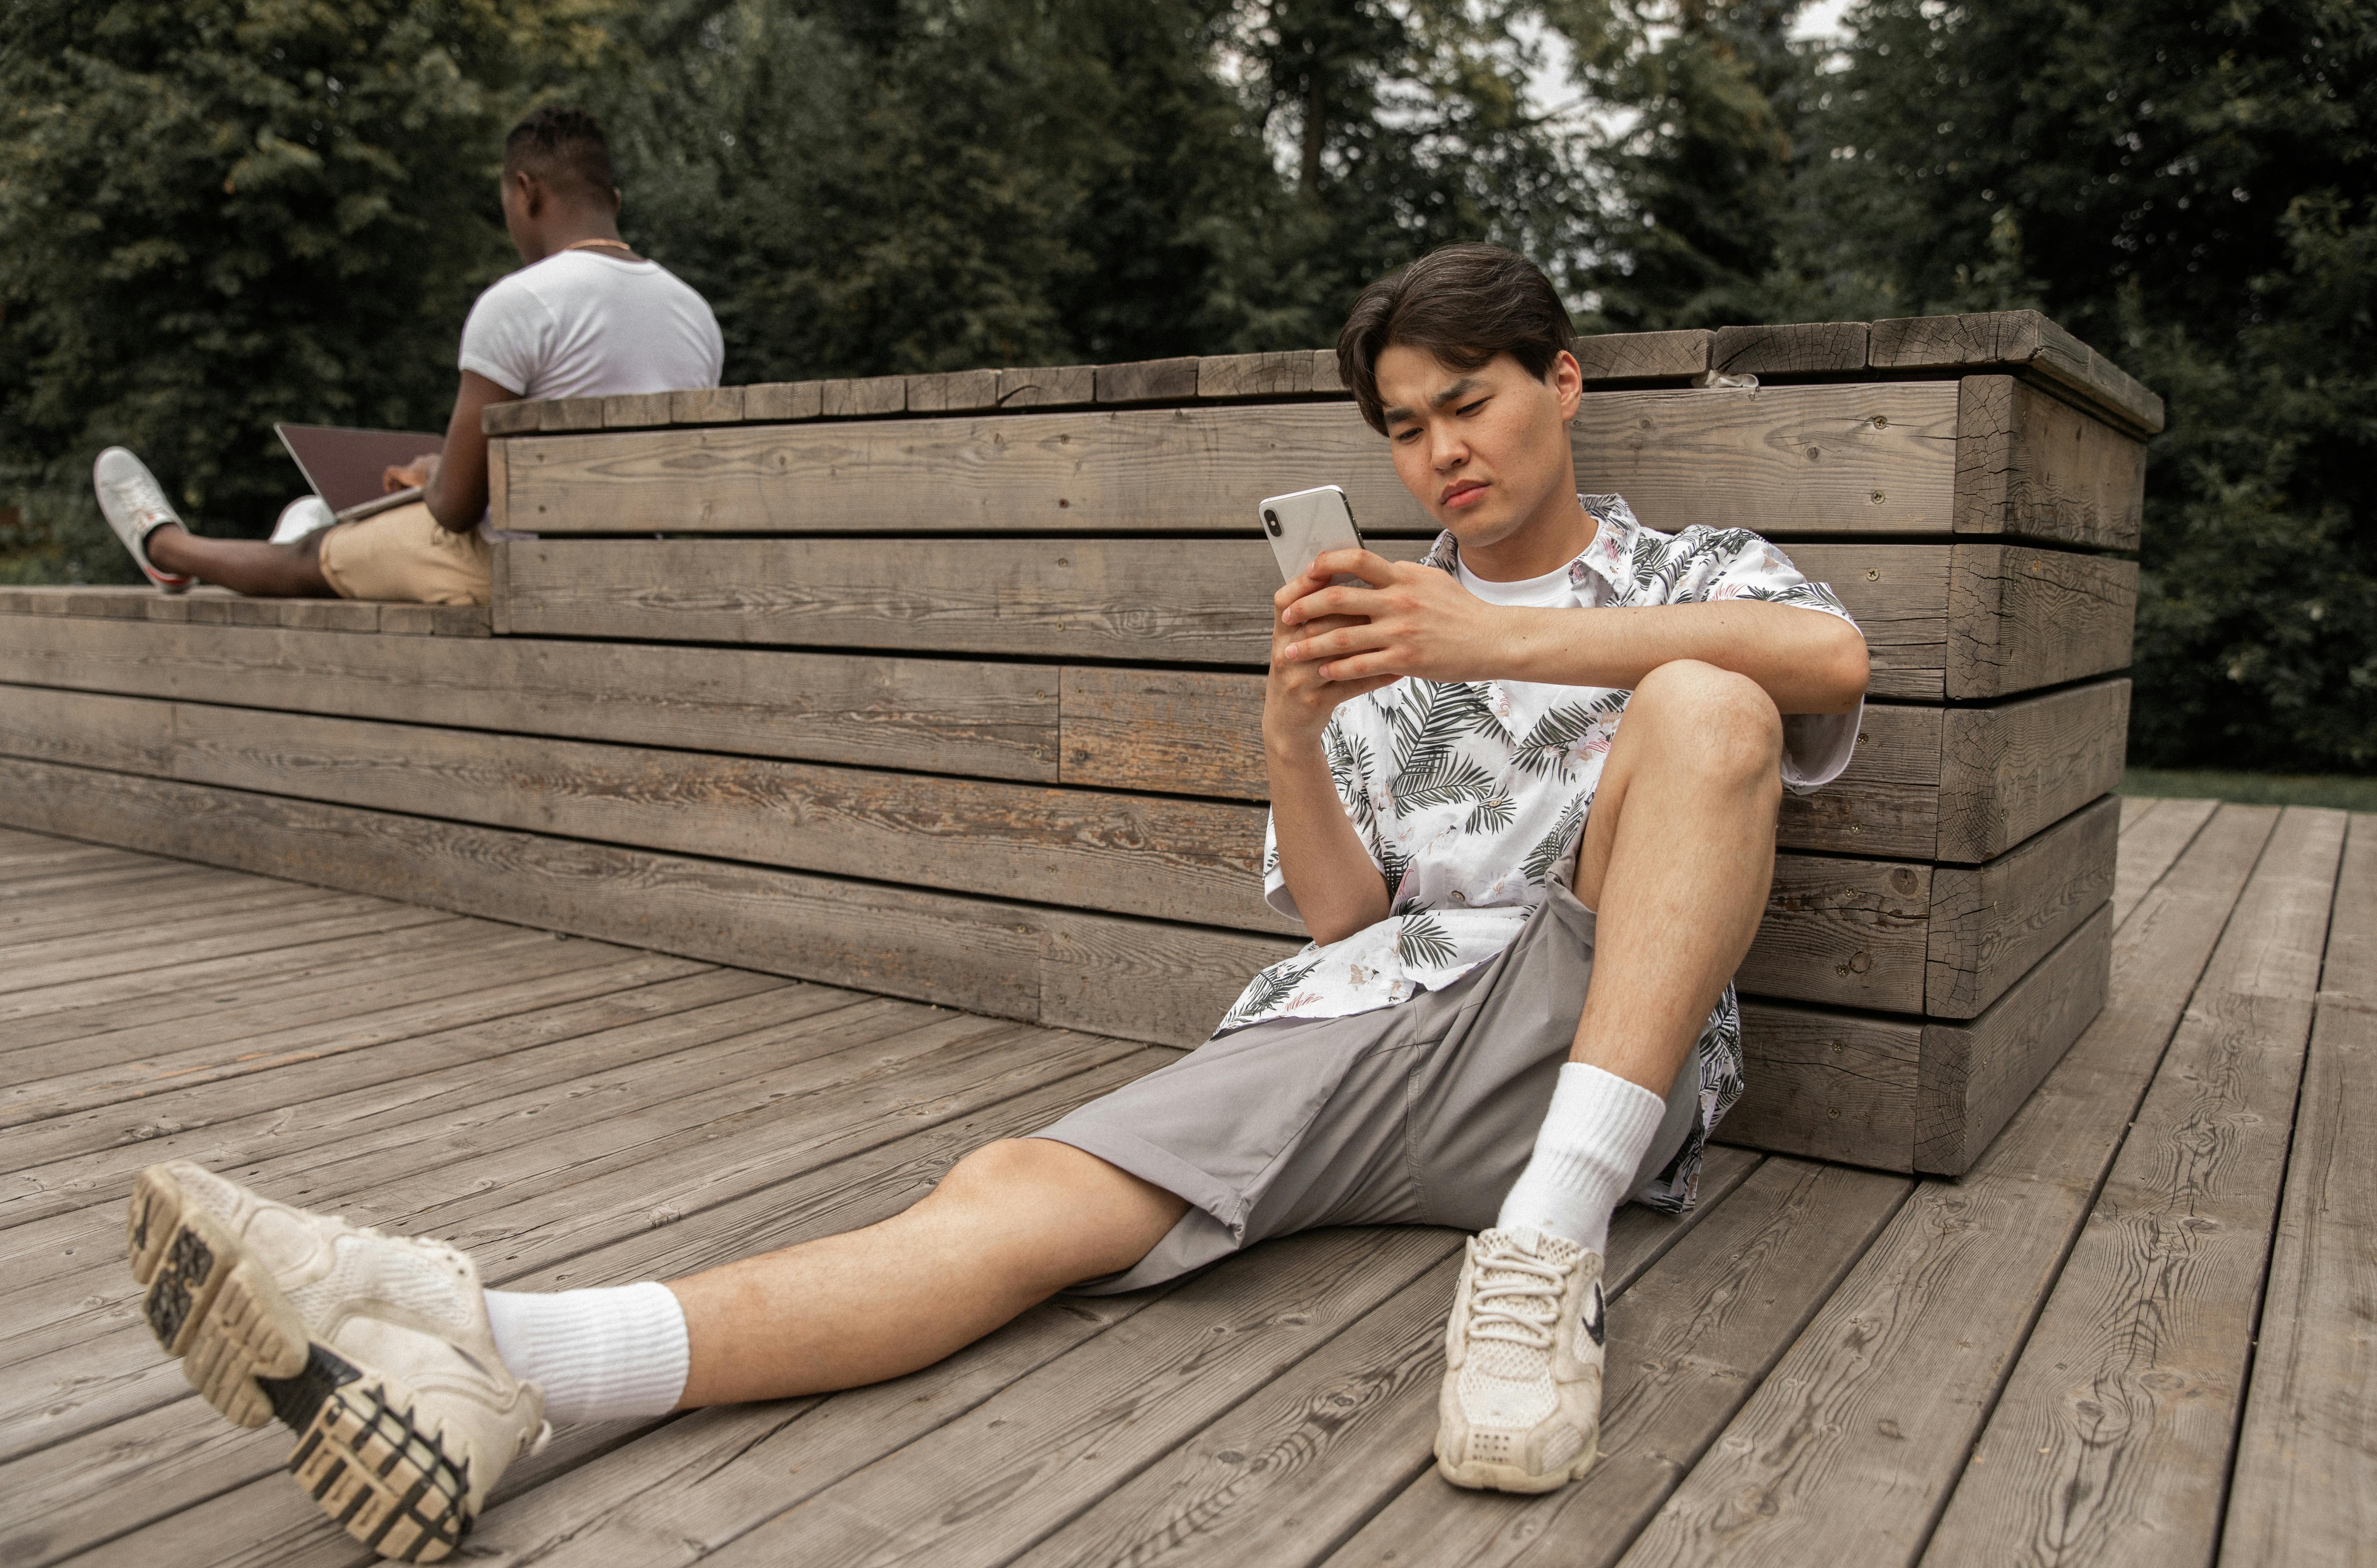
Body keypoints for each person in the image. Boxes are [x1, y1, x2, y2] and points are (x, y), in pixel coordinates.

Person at [121, 244, 1869, 1562]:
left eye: (1468, 406)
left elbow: (1826, 661)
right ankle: (508, 1372)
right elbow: (1343, 932)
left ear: (1561, 384)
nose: (1440, 457)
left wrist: (1506, 634)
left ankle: (1545, 1259)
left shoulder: (1668, 579)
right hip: (1390, 1037)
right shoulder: (1380, 632)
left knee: (1712, 700)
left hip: (1589, 1058)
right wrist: (1288, 738)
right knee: (1016, 1194)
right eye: (1404, 429)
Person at [90, 106, 722, 607]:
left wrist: (437, 478)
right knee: (362, 521)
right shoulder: (697, 316)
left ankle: (167, 551)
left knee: (314, 557)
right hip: (641, 575)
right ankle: (309, 532)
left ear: (526, 193)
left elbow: (454, 510)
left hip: (519, 575)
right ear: (613, 200)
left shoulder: (524, 302)